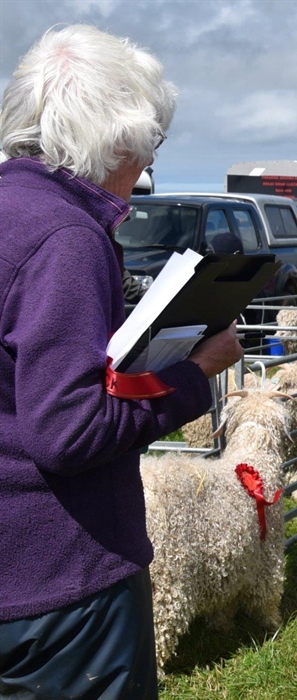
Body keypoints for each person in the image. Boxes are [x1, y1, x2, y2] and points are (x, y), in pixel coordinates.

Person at [0, 25, 243, 698]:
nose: (146, 167)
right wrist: (194, 372)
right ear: (117, 140)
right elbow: (68, 432)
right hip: (62, 585)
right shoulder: (64, 237)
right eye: (149, 146)